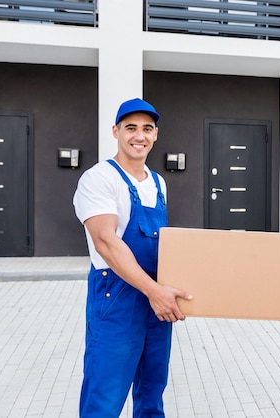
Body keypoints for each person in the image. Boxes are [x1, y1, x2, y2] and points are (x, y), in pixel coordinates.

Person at [73, 98, 193, 417]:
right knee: (105, 397)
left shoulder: (158, 182)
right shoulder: (99, 179)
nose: (139, 136)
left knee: (152, 393)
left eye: (147, 129)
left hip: (158, 300)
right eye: (130, 128)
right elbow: (106, 242)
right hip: (118, 299)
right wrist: (154, 292)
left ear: (156, 135)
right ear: (116, 131)